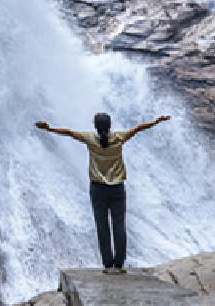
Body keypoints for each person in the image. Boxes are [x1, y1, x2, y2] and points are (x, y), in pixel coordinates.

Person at [34, 112, 171, 274]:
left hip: (98, 189)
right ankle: (119, 264)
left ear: (95, 126)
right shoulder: (119, 138)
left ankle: (107, 264)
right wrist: (157, 121)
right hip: (117, 189)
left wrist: (49, 128)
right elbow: (139, 128)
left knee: (102, 226)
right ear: (110, 126)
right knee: (119, 225)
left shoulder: (90, 139)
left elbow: (69, 133)